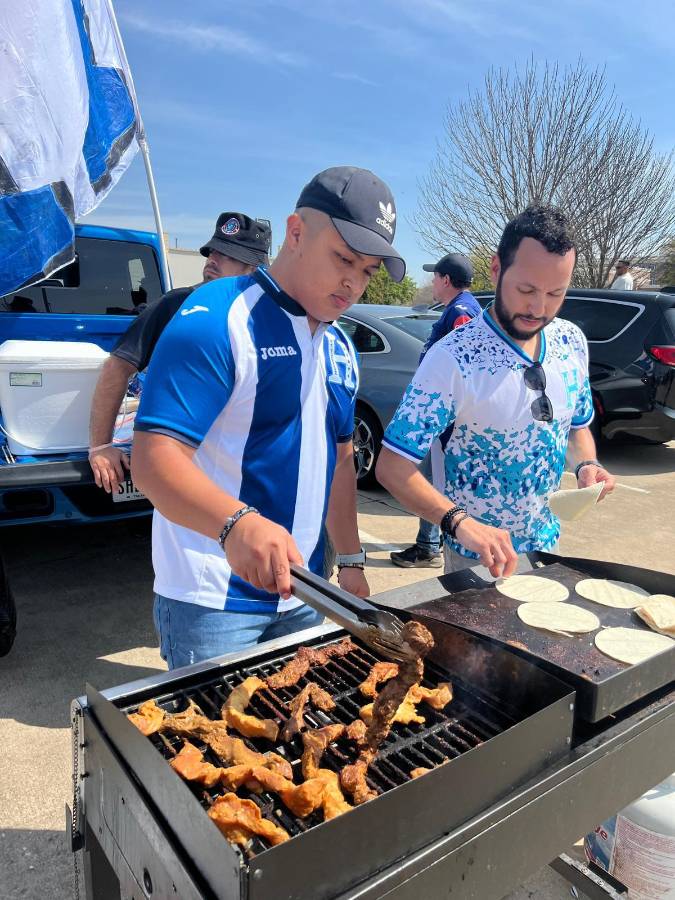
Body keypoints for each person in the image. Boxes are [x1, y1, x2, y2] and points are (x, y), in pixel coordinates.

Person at [132, 166, 406, 668]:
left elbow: (340, 462)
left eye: (368, 271)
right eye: (344, 258)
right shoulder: (219, 315)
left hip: (306, 592)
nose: (353, 282)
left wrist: (350, 559)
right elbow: (152, 460)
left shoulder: (340, 346)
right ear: (296, 232)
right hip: (213, 600)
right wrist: (235, 524)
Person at [377, 205, 616, 579]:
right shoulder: (453, 358)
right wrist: (458, 522)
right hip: (476, 561)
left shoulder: (571, 341)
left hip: (547, 547)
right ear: (495, 268)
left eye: (556, 293)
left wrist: (587, 465)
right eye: (526, 289)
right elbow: (392, 467)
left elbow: (576, 427)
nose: (539, 308)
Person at [88, 213, 271, 494]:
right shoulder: (177, 305)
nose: (213, 259)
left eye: (228, 255)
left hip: (245, 468)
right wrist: (101, 447)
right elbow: (117, 366)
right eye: (213, 251)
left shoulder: (269, 319)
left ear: (253, 270)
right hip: (184, 466)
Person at [390, 253, 480, 569]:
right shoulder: (461, 307)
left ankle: (430, 546)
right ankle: (431, 542)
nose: (432, 282)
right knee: (434, 479)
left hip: (446, 418)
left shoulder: (461, 311)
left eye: (435, 276)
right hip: (447, 414)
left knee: (433, 482)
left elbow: (467, 362)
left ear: (446, 279)